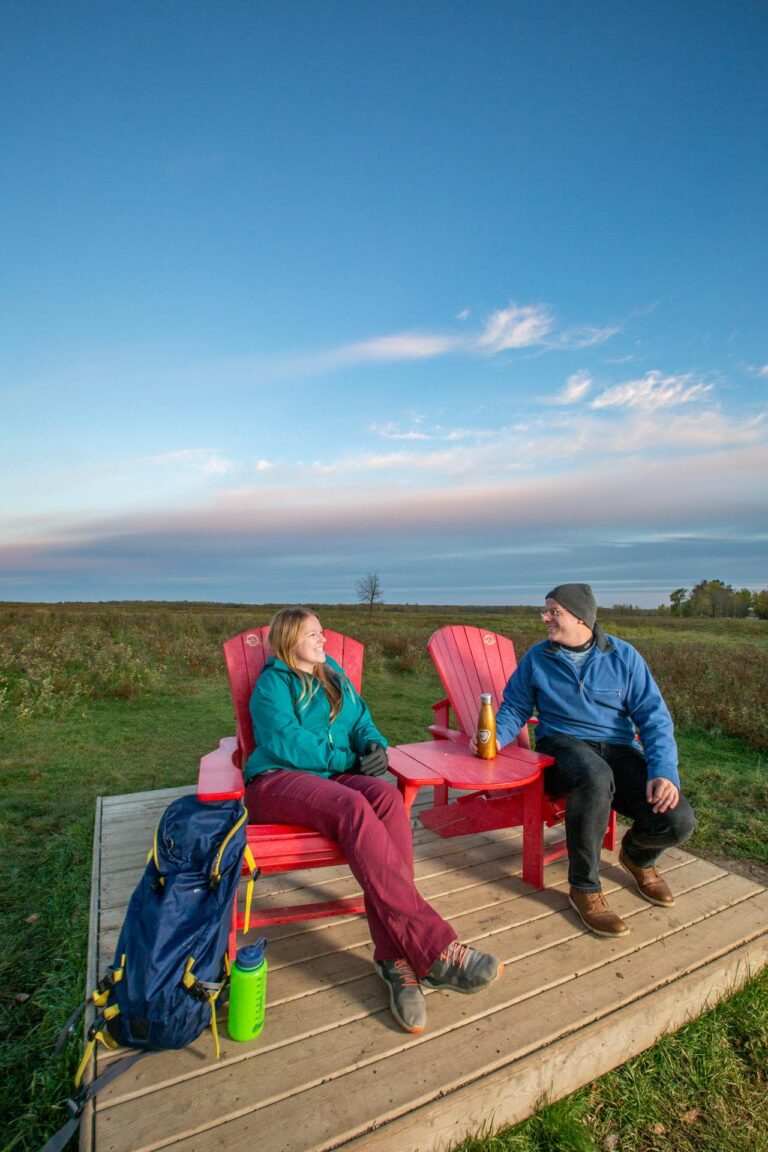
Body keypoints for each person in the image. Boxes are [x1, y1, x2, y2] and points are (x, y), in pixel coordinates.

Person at [243, 607, 503, 1034]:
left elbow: (361, 720)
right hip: (277, 780)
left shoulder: (332, 674)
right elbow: (287, 742)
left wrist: (373, 746)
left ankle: (394, 957)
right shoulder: (272, 684)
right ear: (290, 642)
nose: (323, 639)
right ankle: (435, 949)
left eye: (322, 632)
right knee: (353, 806)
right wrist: (349, 759)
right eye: (313, 635)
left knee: (386, 796)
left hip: (331, 778)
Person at [485, 583, 696, 938]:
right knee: (594, 775)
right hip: (561, 746)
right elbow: (515, 708)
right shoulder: (538, 658)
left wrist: (663, 771)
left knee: (678, 820)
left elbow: (654, 718)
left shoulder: (624, 657)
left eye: (554, 612)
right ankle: (584, 888)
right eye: (545, 611)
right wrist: (495, 738)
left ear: (581, 617)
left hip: (617, 748)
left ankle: (638, 858)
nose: (545, 618)